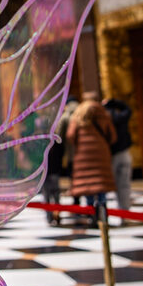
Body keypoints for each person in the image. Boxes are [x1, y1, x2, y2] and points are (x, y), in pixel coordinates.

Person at [67, 92, 117, 221]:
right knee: (100, 184)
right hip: (101, 154)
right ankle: (103, 212)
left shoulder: (78, 114)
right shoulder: (102, 113)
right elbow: (112, 136)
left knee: (87, 185)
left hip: (83, 155)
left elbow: (70, 135)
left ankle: (91, 214)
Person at [45, 96, 78, 226]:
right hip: (57, 166)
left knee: (48, 194)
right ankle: (59, 213)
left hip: (47, 169)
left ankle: (50, 216)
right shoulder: (80, 115)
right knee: (56, 193)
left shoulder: (65, 118)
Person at [104, 97, 133, 210]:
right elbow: (128, 109)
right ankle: (124, 211)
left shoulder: (104, 119)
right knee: (124, 184)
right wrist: (116, 102)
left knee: (111, 184)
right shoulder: (120, 116)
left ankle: (111, 211)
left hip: (111, 155)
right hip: (124, 153)